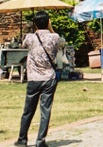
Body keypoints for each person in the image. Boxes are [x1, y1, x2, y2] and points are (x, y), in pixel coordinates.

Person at [15, 11, 61, 147]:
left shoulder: (30, 38)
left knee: (28, 110)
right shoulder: (55, 37)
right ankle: (40, 141)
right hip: (49, 78)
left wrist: (35, 29)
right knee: (45, 110)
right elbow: (58, 43)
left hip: (34, 78)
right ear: (48, 22)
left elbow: (23, 46)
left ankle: (22, 139)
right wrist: (50, 27)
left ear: (35, 23)